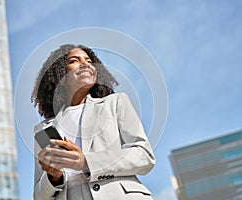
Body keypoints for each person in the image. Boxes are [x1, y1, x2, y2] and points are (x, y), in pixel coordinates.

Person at [31, 44, 155, 200]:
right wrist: (53, 177)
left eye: (89, 61)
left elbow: (144, 155)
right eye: (75, 60)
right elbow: (38, 196)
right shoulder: (43, 130)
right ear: (59, 73)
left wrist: (86, 162)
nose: (85, 64)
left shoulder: (115, 103)